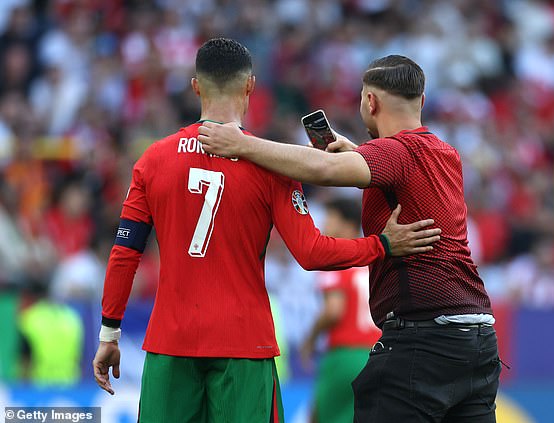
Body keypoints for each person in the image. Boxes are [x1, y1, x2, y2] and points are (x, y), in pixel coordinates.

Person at [92, 40, 441, 423]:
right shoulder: (272, 164)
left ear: (196, 87)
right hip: (244, 346)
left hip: (170, 345)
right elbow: (313, 253)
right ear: (250, 86)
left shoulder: (153, 160)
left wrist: (110, 332)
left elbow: (125, 251)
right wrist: (383, 245)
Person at [197, 54, 501, 423]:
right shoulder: (445, 152)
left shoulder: (394, 152)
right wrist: (358, 154)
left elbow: (324, 169)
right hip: (479, 340)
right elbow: (404, 175)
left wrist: (242, 145)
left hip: (424, 340)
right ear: (421, 102)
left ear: (369, 102)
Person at [300, 197, 381, 423]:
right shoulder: (374, 262)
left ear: (347, 225)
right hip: (378, 355)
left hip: (345, 355)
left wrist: (310, 339)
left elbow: (333, 310)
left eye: (330, 219)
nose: (324, 226)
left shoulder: (336, 258)